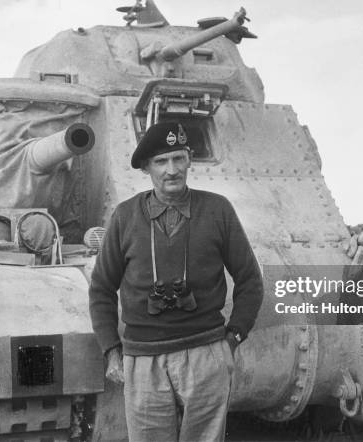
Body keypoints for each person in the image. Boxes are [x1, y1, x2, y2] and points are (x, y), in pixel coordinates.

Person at [89, 121, 264, 442]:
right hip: (143, 360)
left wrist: (233, 338)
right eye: (161, 161)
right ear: (146, 167)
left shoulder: (218, 210)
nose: (172, 170)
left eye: (178, 158)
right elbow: (101, 288)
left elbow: (250, 279)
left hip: (205, 354)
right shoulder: (125, 217)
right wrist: (111, 350)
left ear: (189, 160)